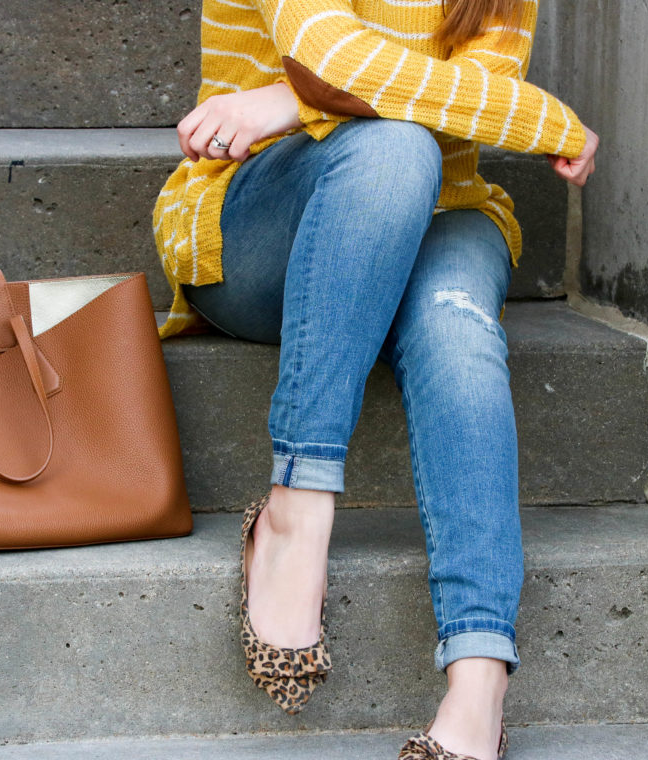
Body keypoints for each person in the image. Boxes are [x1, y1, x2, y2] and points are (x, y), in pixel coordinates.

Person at [153, 1, 598, 758]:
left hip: (446, 214)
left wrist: (287, 102)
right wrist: (546, 119)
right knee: (395, 149)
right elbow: (337, 56)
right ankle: (297, 502)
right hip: (269, 218)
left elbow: (471, 107)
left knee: (457, 326)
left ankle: (479, 681)